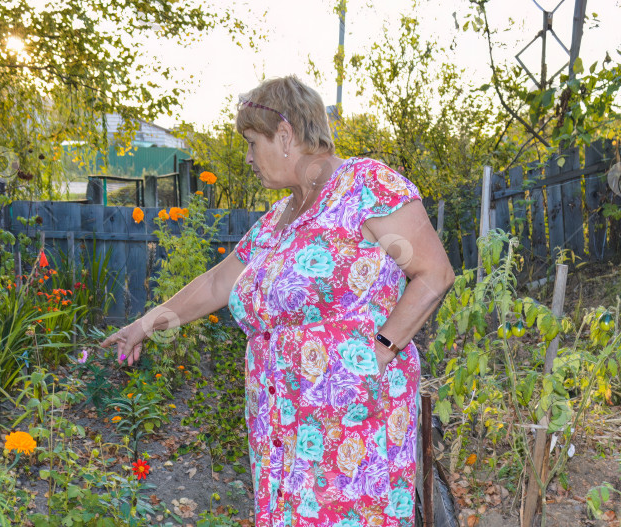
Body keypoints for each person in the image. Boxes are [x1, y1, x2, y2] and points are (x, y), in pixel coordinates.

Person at [101, 76, 455, 527]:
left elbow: (434, 273)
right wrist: (145, 325)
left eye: (252, 142)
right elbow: (216, 284)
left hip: (352, 417)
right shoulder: (278, 220)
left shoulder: (365, 185)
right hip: (282, 426)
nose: (247, 157)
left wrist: (378, 354)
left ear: (285, 136)